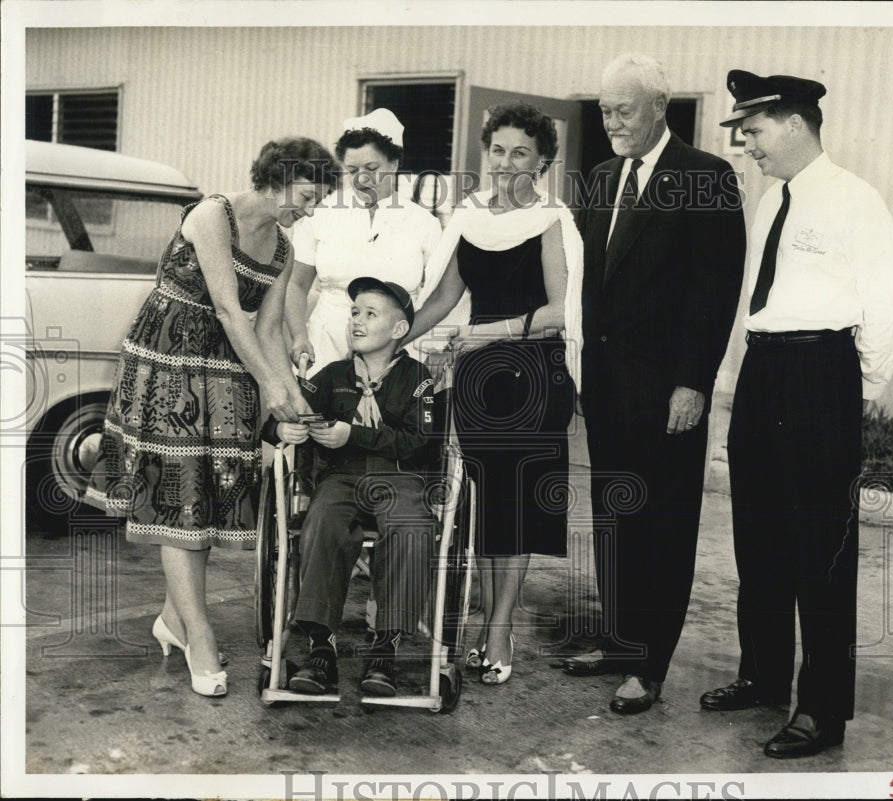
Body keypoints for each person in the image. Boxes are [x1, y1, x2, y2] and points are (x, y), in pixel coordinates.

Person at [703, 70, 893, 757]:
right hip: (765, 370)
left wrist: (851, 391)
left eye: (754, 132)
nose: (748, 147)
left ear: (795, 123)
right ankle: (762, 676)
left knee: (821, 553)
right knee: (757, 538)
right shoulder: (772, 203)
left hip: (820, 374)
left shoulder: (856, 199)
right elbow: (760, 305)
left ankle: (822, 711)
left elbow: (891, 311)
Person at [86, 137, 332, 696]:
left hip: (225, 369)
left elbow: (267, 329)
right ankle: (200, 636)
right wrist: (270, 385)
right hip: (168, 364)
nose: (308, 208)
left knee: (203, 503)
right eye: (306, 195)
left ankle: (173, 621)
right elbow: (225, 306)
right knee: (180, 501)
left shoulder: (283, 247)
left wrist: (294, 397)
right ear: (277, 178)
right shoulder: (211, 214)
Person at [562, 53, 745, 715]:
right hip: (606, 386)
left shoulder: (707, 177)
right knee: (614, 515)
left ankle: (649, 663)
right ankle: (617, 640)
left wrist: (693, 382)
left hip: (668, 391)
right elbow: (590, 286)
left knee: (662, 524)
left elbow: (715, 290)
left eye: (624, 110)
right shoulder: (601, 177)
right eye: (605, 110)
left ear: (659, 107)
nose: (611, 121)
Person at [407, 101, 581, 686]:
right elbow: (441, 299)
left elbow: (562, 311)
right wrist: (391, 338)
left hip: (533, 374)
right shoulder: (470, 217)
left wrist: (483, 333)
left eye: (521, 154)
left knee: (520, 506)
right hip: (480, 382)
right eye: (498, 151)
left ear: (544, 163)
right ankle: (490, 621)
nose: (506, 164)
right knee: (486, 504)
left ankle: (500, 629)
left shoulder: (554, 220)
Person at [263, 277, 437, 697]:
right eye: (354, 312)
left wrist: (353, 436)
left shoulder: (419, 379)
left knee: (411, 526)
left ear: (398, 331)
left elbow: (422, 444)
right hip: (341, 478)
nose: (357, 321)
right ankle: (321, 648)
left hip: (400, 479)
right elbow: (278, 421)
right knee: (322, 521)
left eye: (370, 314)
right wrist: (284, 426)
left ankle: (385, 650)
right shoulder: (330, 376)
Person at [285, 108, 442, 377]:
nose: (362, 179)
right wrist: (300, 336)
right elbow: (296, 284)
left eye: (372, 168)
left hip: (396, 350)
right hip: (326, 347)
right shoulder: (320, 213)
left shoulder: (424, 223)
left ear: (394, 165)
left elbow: (439, 297)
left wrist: (392, 344)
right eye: (352, 170)